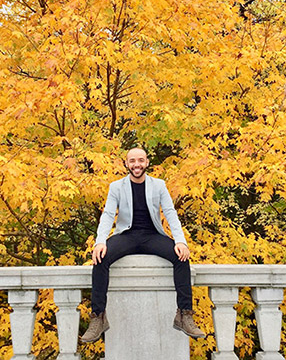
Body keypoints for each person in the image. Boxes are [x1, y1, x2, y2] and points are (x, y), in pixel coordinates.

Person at [80, 147, 205, 343]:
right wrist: (100, 242)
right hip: (126, 235)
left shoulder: (159, 185)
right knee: (100, 258)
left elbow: (171, 213)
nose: (136, 164)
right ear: (126, 164)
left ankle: (184, 315)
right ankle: (98, 317)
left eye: (140, 160)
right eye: (132, 161)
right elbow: (107, 215)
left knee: (181, 257)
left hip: (152, 236)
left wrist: (180, 241)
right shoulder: (116, 187)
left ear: (147, 162)